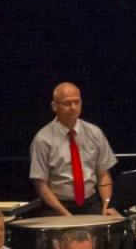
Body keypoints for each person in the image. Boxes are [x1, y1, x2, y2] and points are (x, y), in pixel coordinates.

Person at [29, 81, 117, 217]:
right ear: (54, 106)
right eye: (67, 103)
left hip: (90, 203)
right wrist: (66, 215)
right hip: (57, 206)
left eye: (77, 102)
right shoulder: (43, 139)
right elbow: (40, 185)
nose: (73, 107)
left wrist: (106, 204)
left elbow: (103, 174)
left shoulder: (94, 133)